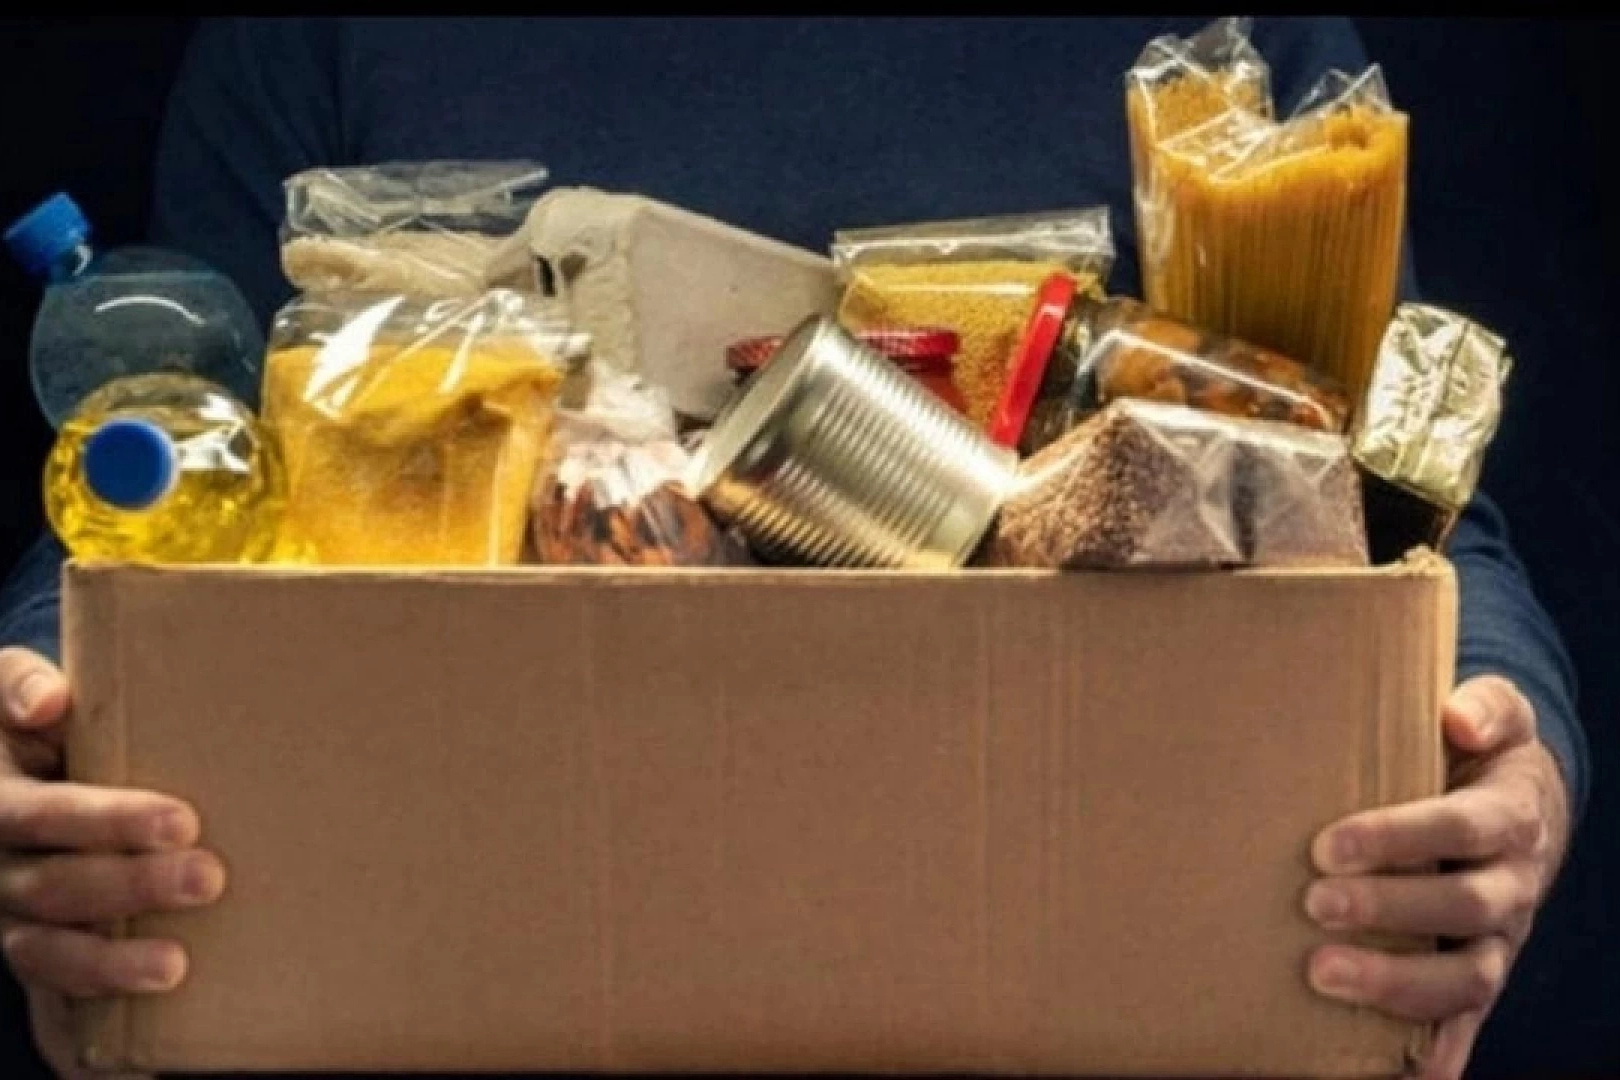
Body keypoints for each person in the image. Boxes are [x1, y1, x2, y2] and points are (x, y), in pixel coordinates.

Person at [0, 16, 1589, 1080]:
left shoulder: (1229, 60)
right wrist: (62, 720)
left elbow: (1405, 517)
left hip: (1091, 970)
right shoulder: (317, 36)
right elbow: (160, 478)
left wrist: (1507, 758)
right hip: (453, 967)